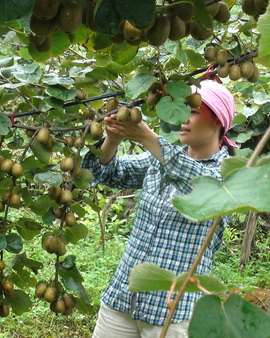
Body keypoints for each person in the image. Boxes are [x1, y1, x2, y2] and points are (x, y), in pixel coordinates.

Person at [82, 80, 237, 338]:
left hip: (174, 315)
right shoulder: (161, 156)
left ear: (219, 120)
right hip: (122, 300)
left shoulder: (230, 175)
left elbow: (200, 185)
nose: (183, 119)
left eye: (194, 111)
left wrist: (147, 137)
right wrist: (112, 140)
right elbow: (110, 173)